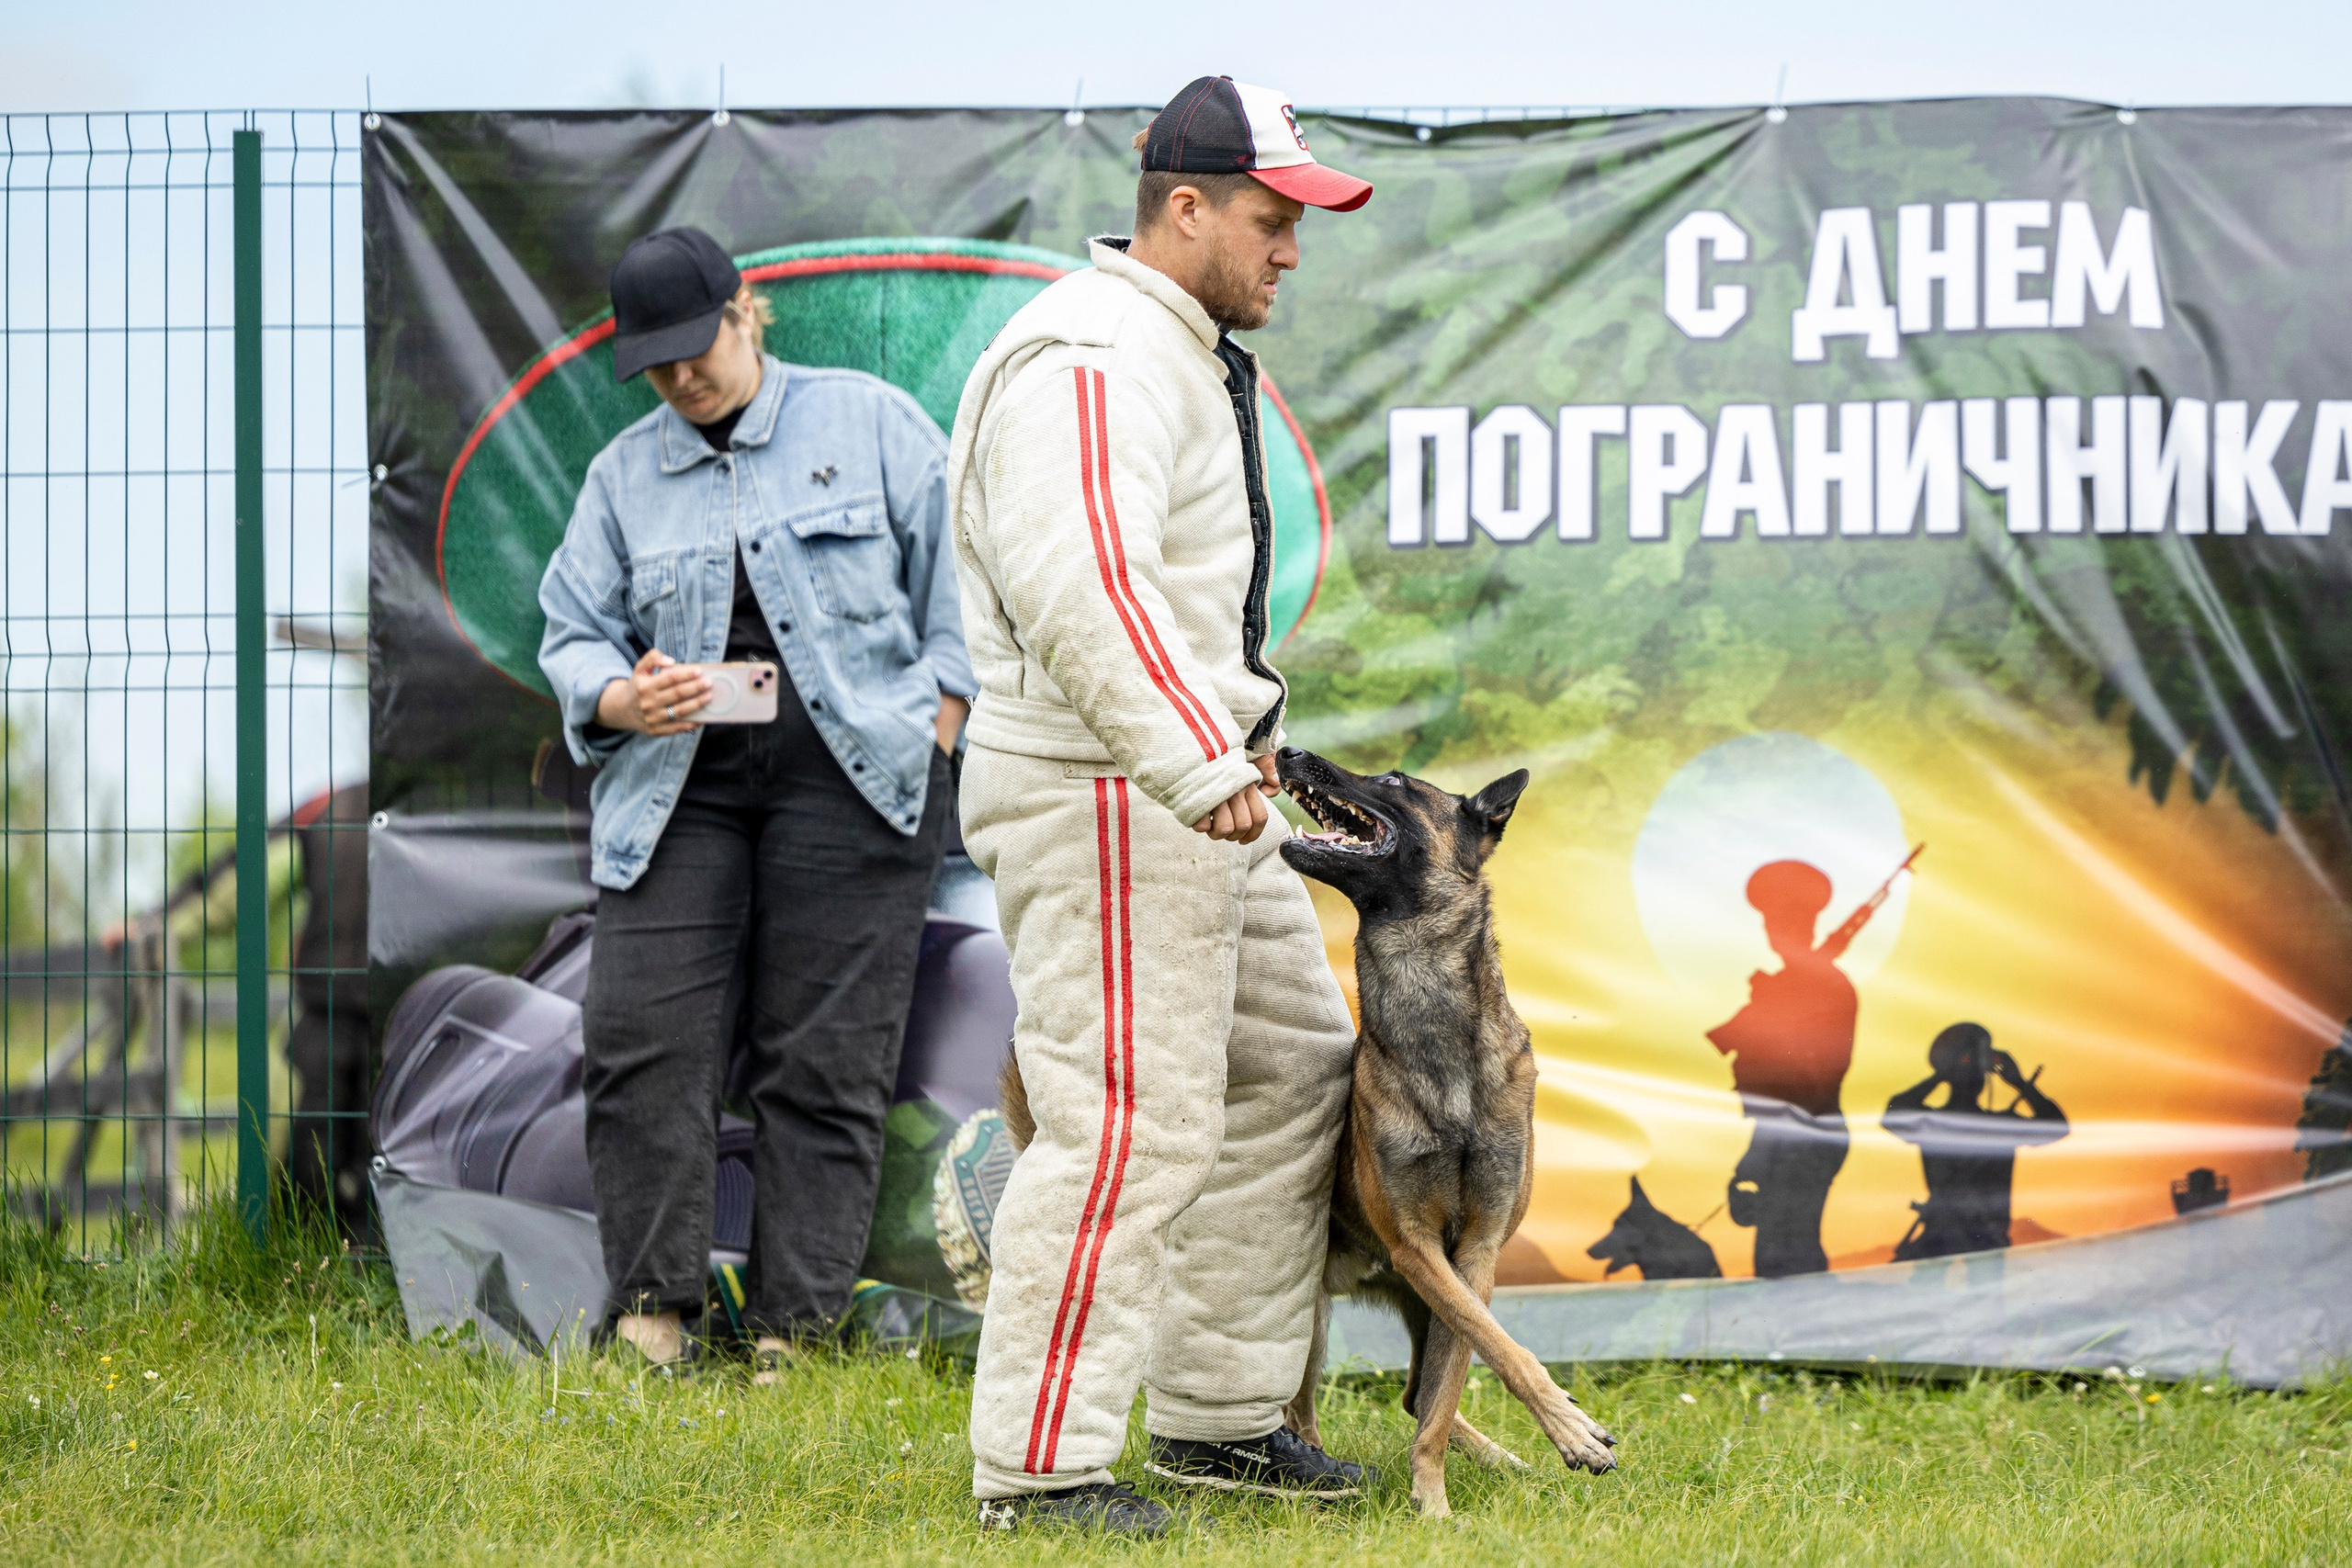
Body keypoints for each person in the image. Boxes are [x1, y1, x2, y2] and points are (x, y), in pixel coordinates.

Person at [947, 76, 1374, 1535]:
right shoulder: (1092, 353)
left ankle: (1218, 1418)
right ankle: (1042, 1470)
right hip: (1115, 786)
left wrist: (1216, 764)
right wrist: (1199, 761)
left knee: (1294, 1065)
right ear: (1181, 207)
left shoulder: (1165, 344)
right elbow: (1088, 588)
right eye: (1271, 219)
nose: (1291, 251)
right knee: (1123, 1121)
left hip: (1187, 783)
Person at [537, 226, 973, 1378]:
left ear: (747, 313)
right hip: (679, 786)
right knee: (641, 1040)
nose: (682, 378)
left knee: (824, 1061)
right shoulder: (621, 476)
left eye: (697, 348)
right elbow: (572, 632)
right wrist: (619, 698)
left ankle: (796, 1333)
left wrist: (941, 723)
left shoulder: (869, 422)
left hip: (859, 776)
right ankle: (650, 1322)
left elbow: (965, 582)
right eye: (657, 364)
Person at [1706, 860, 1862, 1278]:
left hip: (1809, 1132)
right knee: (1775, 1250)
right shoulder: (1781, 989)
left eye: (1784, 922)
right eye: (1771, 923)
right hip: (1782, 1132)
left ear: (1808, 928)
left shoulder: (1827, 987)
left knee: (1792, 1247)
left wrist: (1779, 1006)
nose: (1774, 933)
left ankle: (1803, 1331)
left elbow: (1816, 1078)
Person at [1884, 1021, 2067, 1259]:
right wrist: (2019, 1082)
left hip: (1963, 1237)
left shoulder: (1933, 1124)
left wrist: (1941, 1075)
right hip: (1972, 1239)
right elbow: (2055, 1126)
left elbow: (1893, 1114)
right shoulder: (1997, 1127)